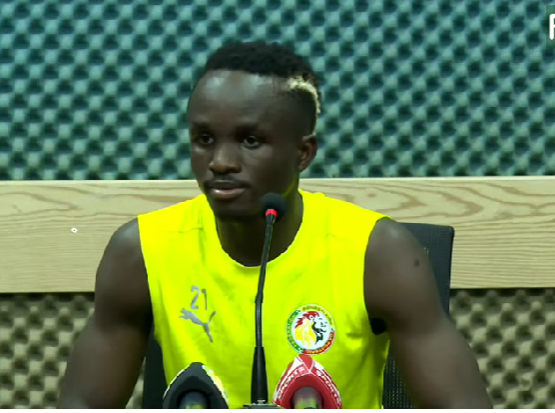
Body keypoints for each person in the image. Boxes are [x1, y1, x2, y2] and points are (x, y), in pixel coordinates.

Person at [57, 41, 492, 409]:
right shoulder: (141, 252)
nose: (220, 162)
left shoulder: (378, 253)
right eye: (204, 139)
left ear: (303, 153)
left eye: (250, 141)